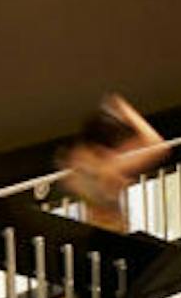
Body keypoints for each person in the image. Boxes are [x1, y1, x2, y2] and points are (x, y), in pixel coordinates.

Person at [60, 94, 167, 232]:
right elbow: (158, 146)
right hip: (114, 234)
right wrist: (125, 109)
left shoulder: (76, 161)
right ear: (102, 149)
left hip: (92, 231)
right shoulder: (111, 168)